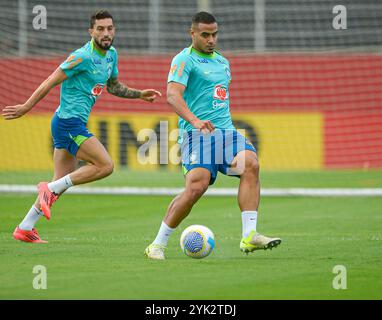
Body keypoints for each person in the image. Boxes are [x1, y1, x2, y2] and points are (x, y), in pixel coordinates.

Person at [2, 9, 161, 243]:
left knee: (60, 182)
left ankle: (25, 227)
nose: (106, 33)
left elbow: (113, 86)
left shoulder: (111, 54)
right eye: (100, 29)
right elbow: (50, 80)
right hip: (68, 124)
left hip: (70, 123)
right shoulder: (81, 56)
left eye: (109, 28)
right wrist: (26, 107)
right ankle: (49, 189)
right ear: (91, 32)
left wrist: (139, 94)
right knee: (105, 165)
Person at [144, 12, 281, 260]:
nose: (211, 39)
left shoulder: (223, 63)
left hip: (225, 133)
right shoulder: (184, 60)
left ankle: (249, 236)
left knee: (251, 163)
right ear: (192, 33)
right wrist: (195, 121)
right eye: (205, 35)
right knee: (197, 186)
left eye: (214, 34)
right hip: (196, 134)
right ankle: (157, 244)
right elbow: (173, 95)